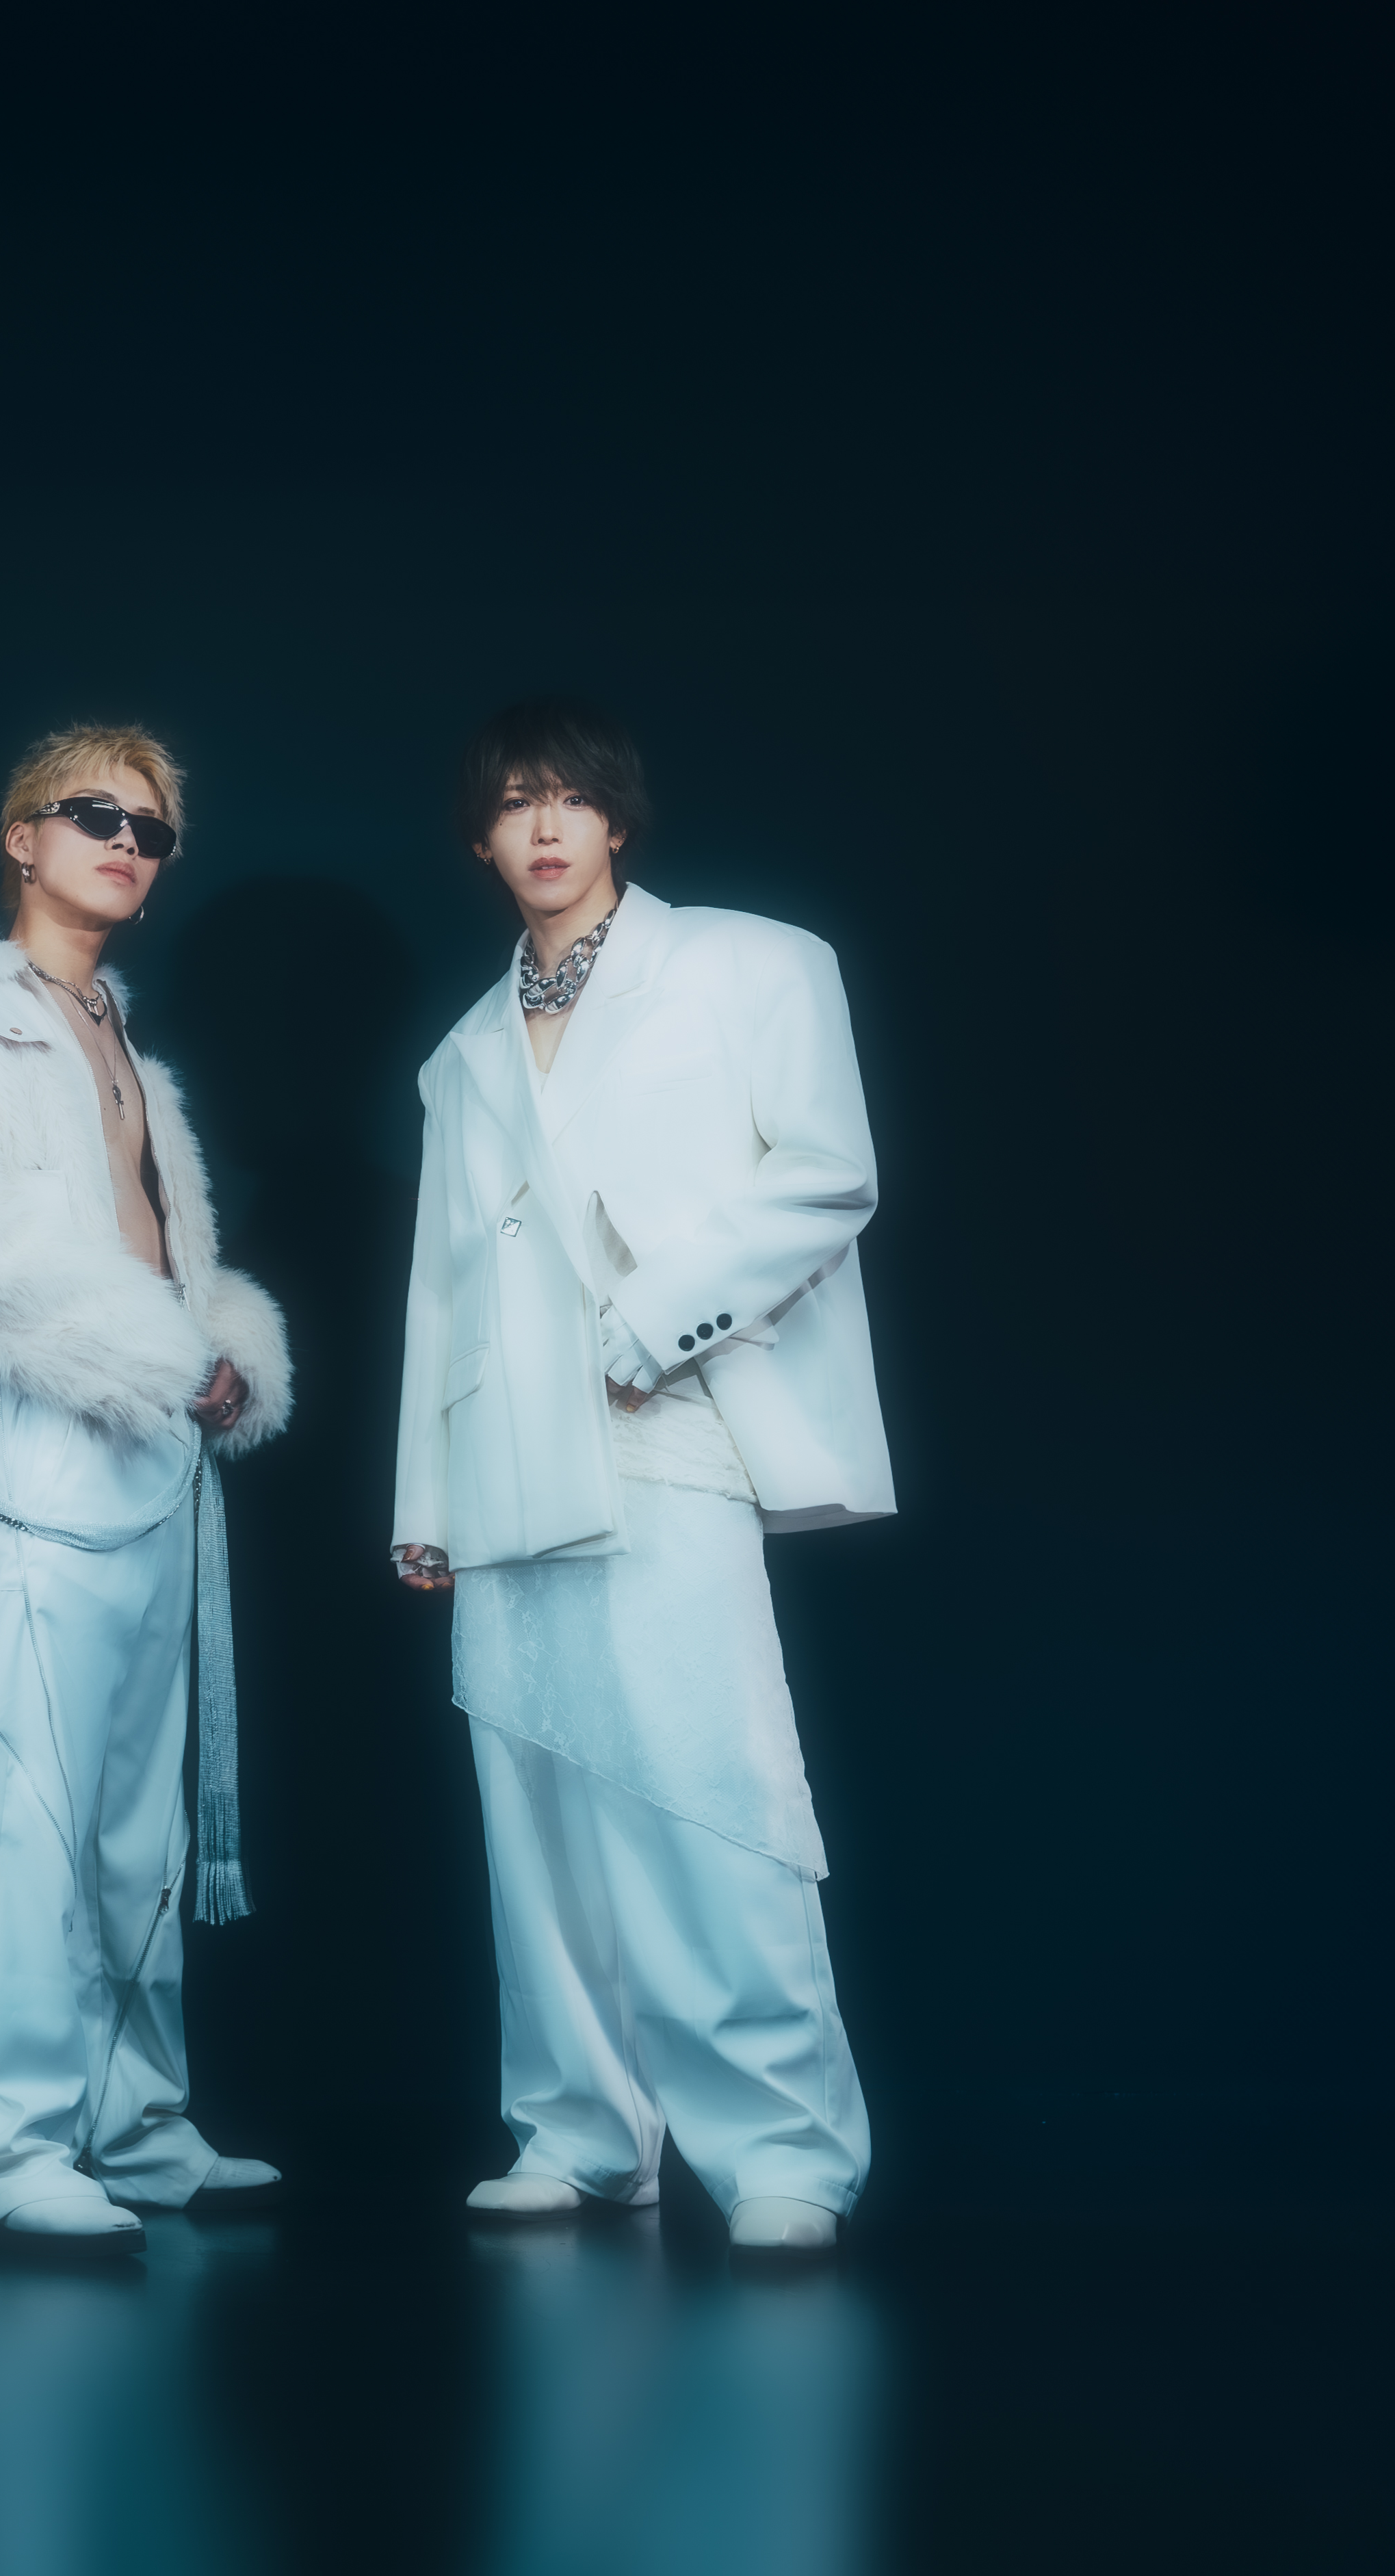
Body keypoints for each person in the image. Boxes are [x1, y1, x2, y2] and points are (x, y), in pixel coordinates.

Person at [390, 699, 887, 2256]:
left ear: (616, 821)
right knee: (537, 1805)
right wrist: (423, 1503)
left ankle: (787, 2151)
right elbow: (439, 1290)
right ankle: (583, 2134)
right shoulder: (461, 1053)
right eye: (513, 803)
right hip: (503, 1446)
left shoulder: (755, 964)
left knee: (708, 1785)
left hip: (667, 1413)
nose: (545, 826)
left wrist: (656, 1322)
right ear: (481, 840)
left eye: (571, 799)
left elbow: (828, 1172)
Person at [0, 725, 294, 2256]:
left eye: (151, 829)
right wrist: (154, 1350)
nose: (124, 842)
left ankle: (135, 2125)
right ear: (20, 839)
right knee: (23, 1819)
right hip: (43, 1446)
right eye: (93, 814)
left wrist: (221, 1358)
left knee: (133, 1827)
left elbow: (176, 1262)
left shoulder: (126, 1048)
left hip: (160, 1459)